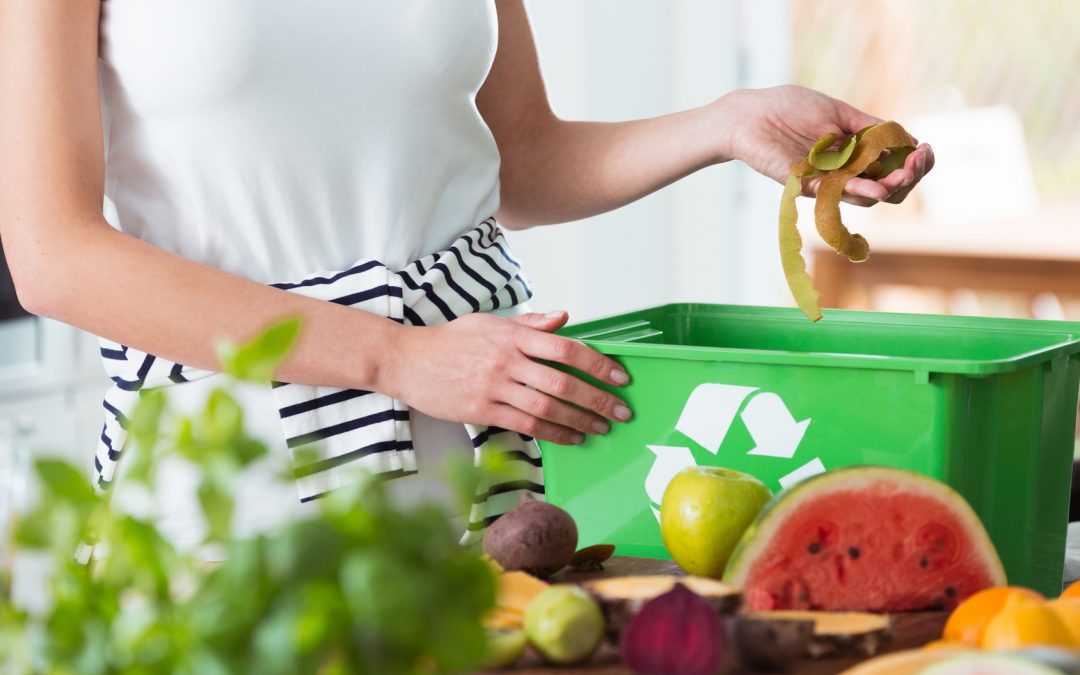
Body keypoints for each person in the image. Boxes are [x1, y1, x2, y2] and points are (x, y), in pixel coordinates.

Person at [0, 1, 932, 550]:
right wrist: (394, 357)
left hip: (480, 445)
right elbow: (53, 254)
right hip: (235, 470)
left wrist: (726, 123)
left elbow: (520, 159)